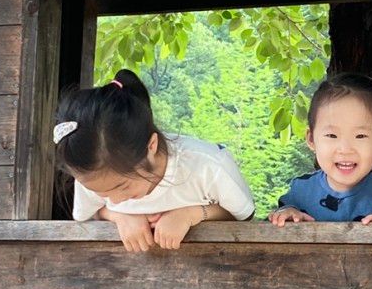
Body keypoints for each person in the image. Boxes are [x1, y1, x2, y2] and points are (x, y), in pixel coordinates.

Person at [54, 69, 254, 252]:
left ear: (151, 146)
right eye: (102, 193)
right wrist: (119, 217)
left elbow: (242, 215)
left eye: (122, 186)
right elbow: (89, 214)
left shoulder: (208, 165)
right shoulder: (91, 168)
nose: (113, 200)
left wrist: (191, 215)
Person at [269, 73, 372, 229]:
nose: (345, 149)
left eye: (360, 136)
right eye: (332, 135)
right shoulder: (301, 190)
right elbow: (269, 228)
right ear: (311, 139)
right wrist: (286, 215)